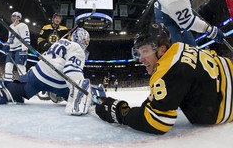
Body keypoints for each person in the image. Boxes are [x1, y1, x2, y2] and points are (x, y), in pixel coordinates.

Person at [95, 23, 232, 134]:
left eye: (145, 51)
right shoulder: (181, 47)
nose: (141, 59)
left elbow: (158, 122)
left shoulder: (167, 70)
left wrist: (118, 111)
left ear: (162, 49)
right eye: (138, 53)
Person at [0, 28, 106, 115]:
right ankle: (98, 94)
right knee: (86, 95)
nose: (85, 44)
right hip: (58, 82)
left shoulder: (60, 41)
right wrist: (79, 94)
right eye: (86, 42)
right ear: (82, 40)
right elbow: (71, 71)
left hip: (37, 74)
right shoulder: (78, 49)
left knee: (14, 90)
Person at [3, 12, 30, 80]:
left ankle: (24, 82)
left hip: (20, 48)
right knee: (8, 66)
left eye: (16, 16)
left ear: (19, 18)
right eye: (13, 16)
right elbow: (10, 38)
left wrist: (24, 50)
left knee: (20, 66)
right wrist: (7, 44)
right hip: (11, 49)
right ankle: (7, 81)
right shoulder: (11, 26)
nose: (14, 17)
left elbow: (26, 38)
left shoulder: (23, 25)